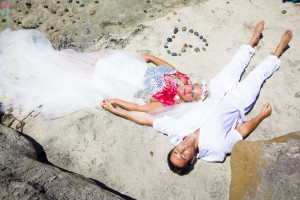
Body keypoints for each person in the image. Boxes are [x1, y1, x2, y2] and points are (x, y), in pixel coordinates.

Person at [102, 21, 293, 175]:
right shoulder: (216, 149)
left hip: (214, 90)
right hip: (239, 102)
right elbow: (240, 132)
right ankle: (278, 52)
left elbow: (144, 118)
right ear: (192, 159)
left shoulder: (174, 131)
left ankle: (252, 41)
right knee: (258, 75)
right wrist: (261, 116)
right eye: (184, 155)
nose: (182, 149)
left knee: (236, 62)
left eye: (177, 151)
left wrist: (115, 110)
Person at [0, 28, 206, 119]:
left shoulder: (166, 102)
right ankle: (59, 57)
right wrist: (144, 57)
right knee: (96, 56)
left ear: (189, 101)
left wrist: (116, 101)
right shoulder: (180, 77)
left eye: (192, 95)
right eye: (194, 87)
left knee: (93, 65)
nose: (190, 90)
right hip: (131, 65)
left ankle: (50, 59)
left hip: (124, 79)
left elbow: (139, 108)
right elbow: (157, 61)